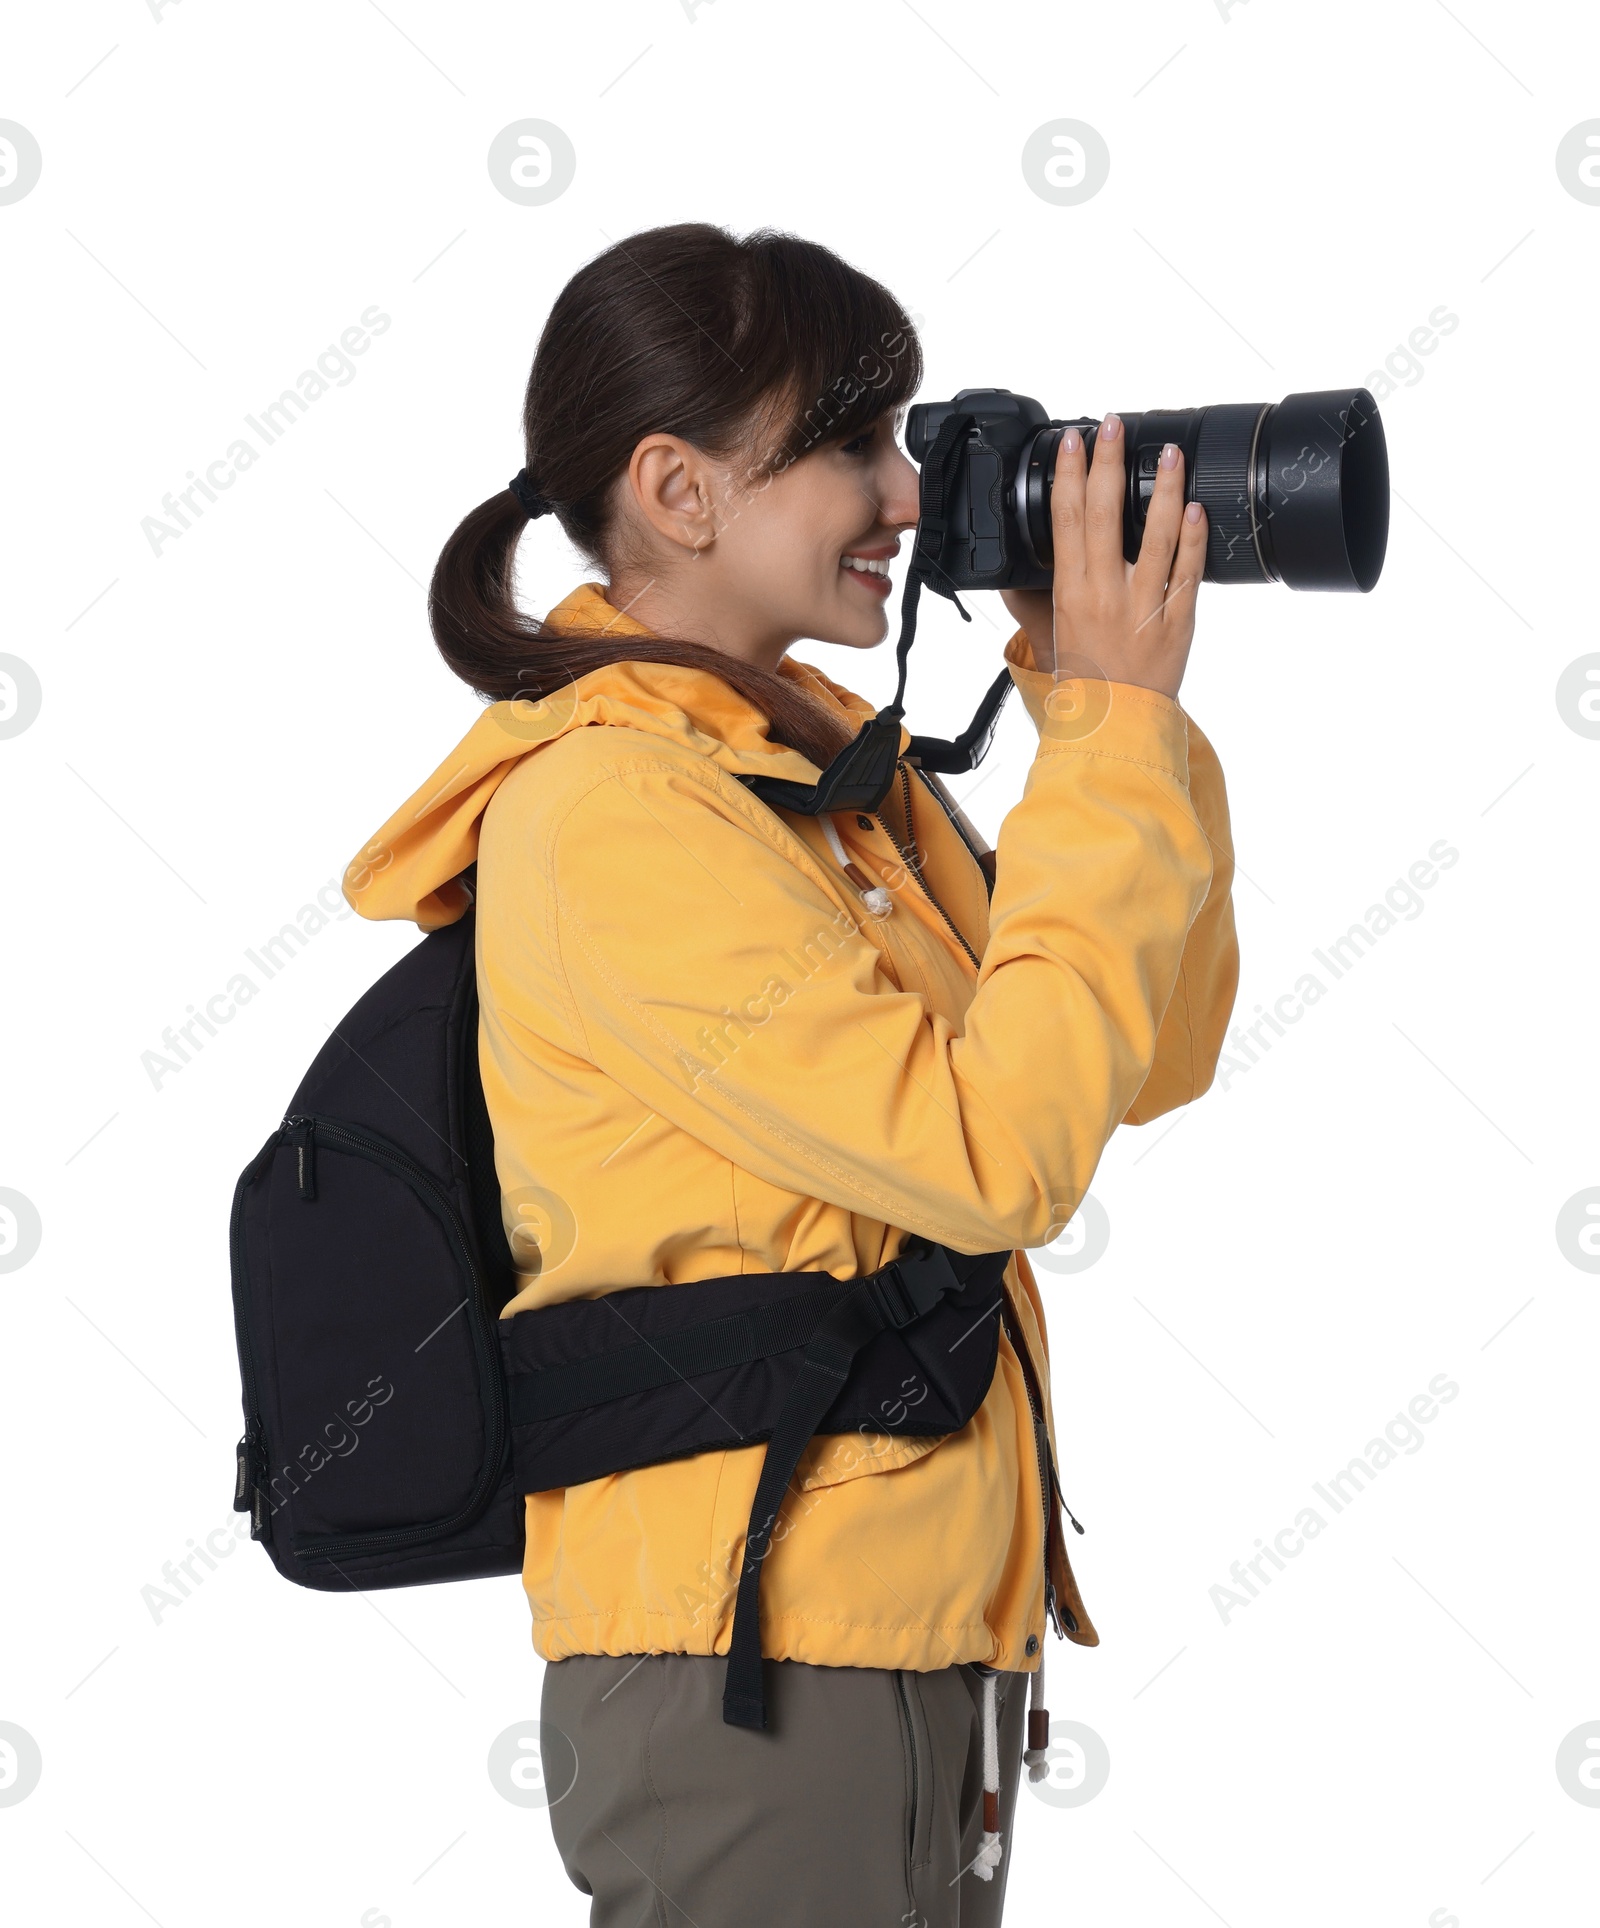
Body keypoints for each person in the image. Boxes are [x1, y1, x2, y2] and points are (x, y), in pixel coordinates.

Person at [346, 222, 1238, 1926]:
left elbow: (1147, 1055)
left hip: (901, 1630)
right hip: (754, 1659)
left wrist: (1106, 717)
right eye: (851, 442)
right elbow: (1001, 1159)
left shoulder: (813, 782)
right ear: (679, 491)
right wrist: (1111, 745)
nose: (907, 495)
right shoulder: (617, 814)